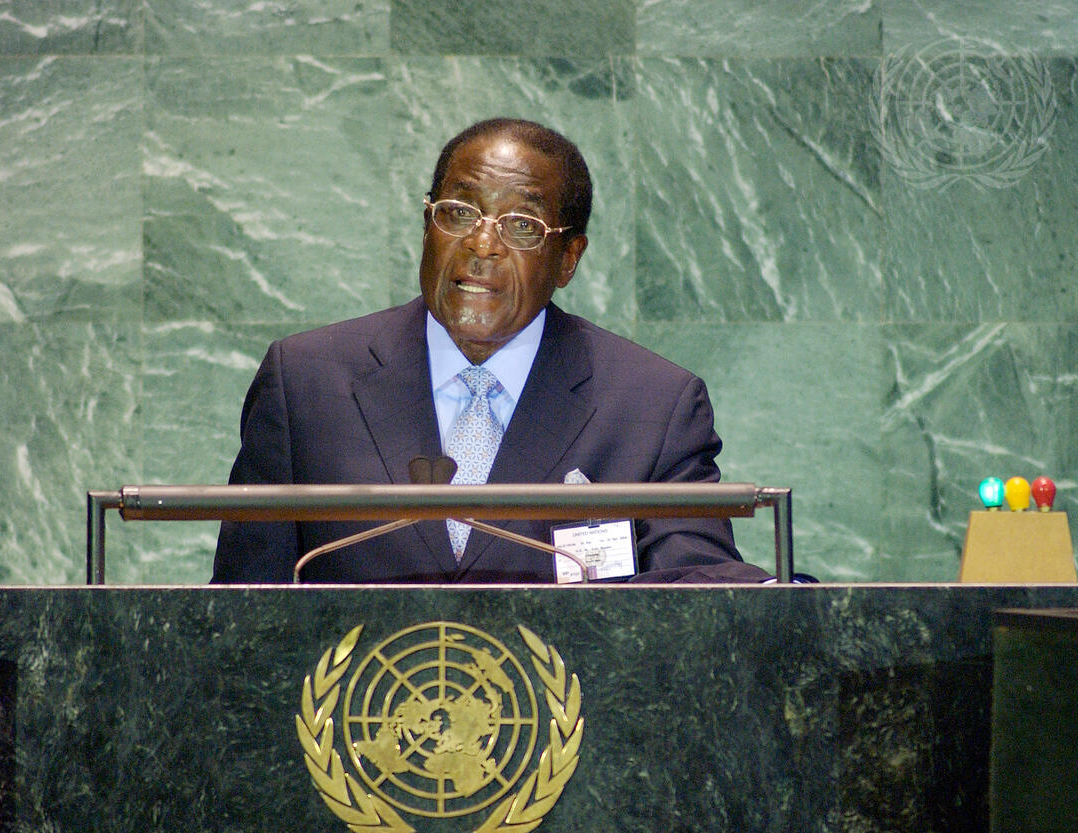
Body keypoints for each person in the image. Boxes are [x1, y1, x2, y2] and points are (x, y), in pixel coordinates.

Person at [211, 118, 770, 585]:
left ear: (568, 259)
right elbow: (242, 606)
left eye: (522, 225)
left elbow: (698, 586)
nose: (481, 244)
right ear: (427, 227)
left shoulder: (653, 405)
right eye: (459, 213)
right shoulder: (307, 381)